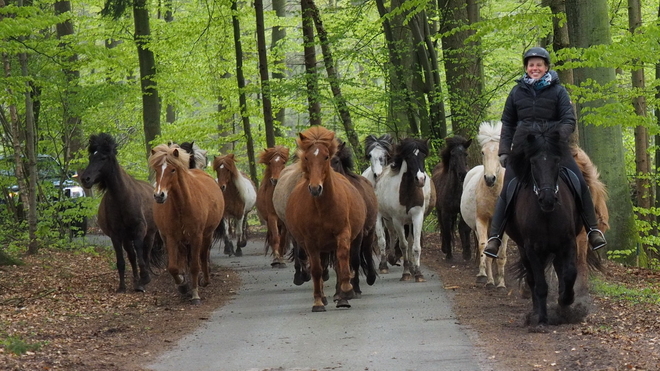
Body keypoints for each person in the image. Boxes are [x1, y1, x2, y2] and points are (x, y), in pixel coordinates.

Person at [483, 46, 607, 259]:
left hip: (553, 147)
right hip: (524, 149)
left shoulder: (558, 91)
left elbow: (569, 119)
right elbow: (508, 123)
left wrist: (558, 135)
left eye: (539, 65)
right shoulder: (516, 92)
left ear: (546, 67)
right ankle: (494, 237)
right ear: (526, 68)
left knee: (578, 181)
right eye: (531, 65)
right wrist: (505, 151)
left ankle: (593, 229)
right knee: (508, 189)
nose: (535, 68)